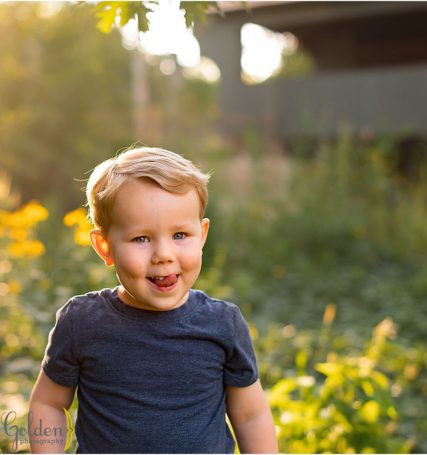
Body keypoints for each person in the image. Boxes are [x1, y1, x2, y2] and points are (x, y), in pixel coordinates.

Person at [27, 147, 278, 453]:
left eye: (180, 235)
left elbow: (251, 416)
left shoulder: (222, 324)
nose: (163, 255)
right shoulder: (82, 323)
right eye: (141, 239)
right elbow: (49, 403)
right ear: (105, 246)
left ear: (202, 235)